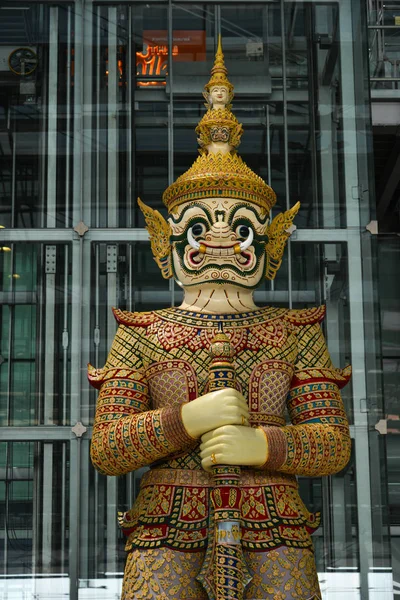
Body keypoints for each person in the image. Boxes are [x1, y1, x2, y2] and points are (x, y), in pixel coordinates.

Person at [89, 38, 351, 600]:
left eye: (241, 229)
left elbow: (331, 444)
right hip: (166, 526)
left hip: (273, 522)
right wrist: (187, 418)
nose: (222, 242)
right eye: (201, 229)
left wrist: (263, 446)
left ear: (268, 242)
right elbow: (108, 449)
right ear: (170, 242)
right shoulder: (142, 334)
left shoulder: (294, 331)